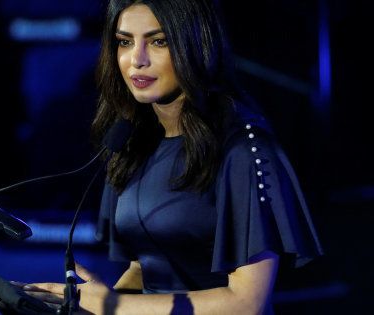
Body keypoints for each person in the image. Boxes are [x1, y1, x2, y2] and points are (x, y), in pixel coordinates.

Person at [16, 0, 323, 313]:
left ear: (197, 45)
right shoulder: (133, 140)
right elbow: (145, 270)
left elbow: (248, 303)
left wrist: (113, 306)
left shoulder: (243, 146)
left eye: (158, 41)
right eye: (124, 42)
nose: (136, 59)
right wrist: (83, 306)